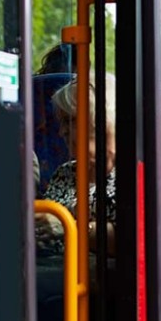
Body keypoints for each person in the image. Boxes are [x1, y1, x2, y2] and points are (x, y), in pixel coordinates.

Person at [35, 71, 117, 258]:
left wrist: (68, 227)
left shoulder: (134, 173)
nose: (62, 132)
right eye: (61, 123)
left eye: (70, 120)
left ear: (102, 120)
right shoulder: (65, 172)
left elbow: (132, 237)